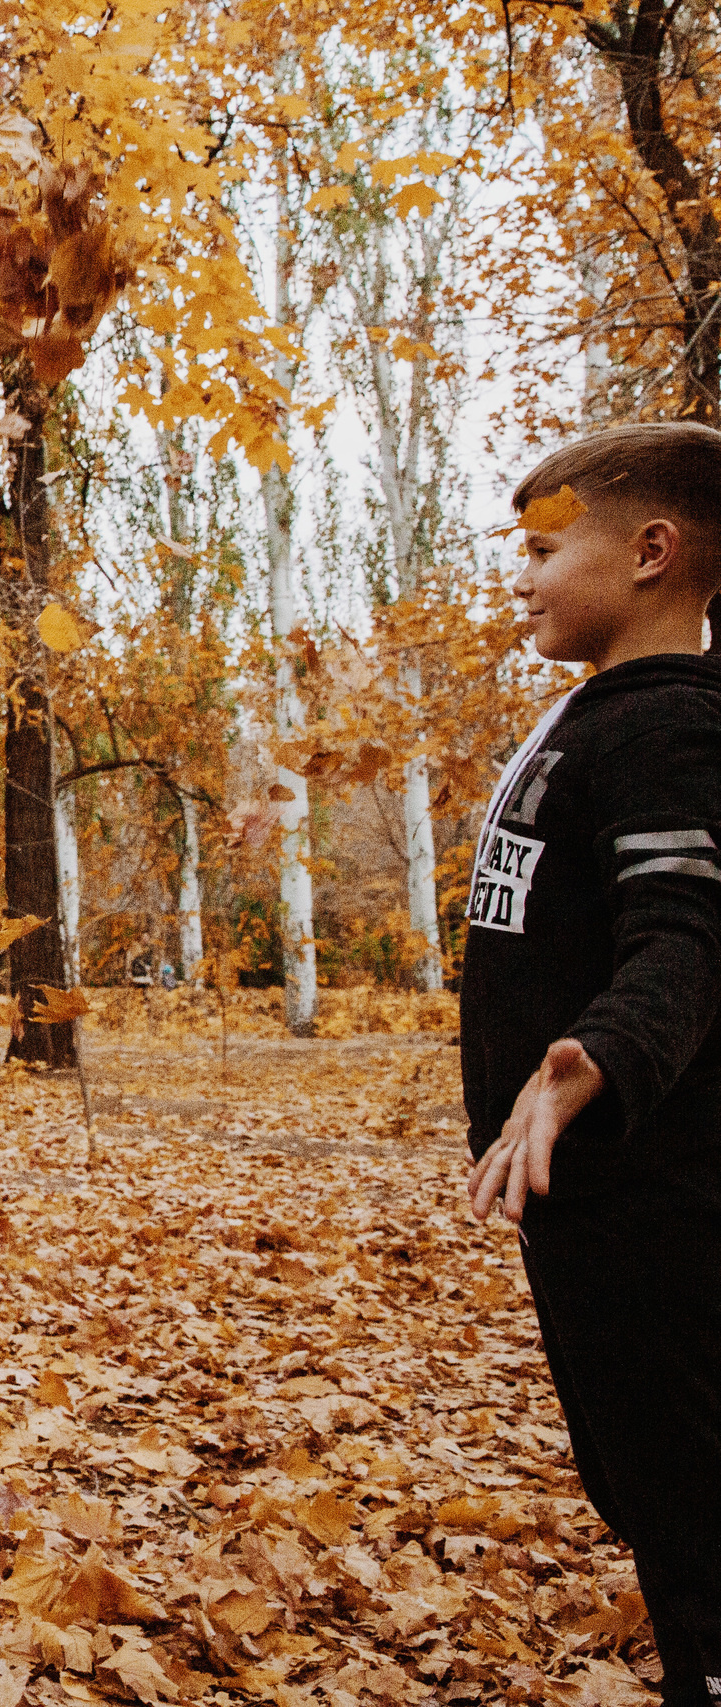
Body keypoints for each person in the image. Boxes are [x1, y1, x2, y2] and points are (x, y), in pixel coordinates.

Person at [464, 420, 721, 1707]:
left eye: (544, 547)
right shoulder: (596, 717)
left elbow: (685, 937)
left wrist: (593, 1061)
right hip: (585, 1213)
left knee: (689, 1500)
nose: (520, 574)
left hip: (656, 1208)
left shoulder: (670, 727)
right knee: (638, 1484)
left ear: (653, 552)